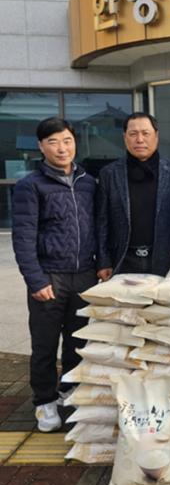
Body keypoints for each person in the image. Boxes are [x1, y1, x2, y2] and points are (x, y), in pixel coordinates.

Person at [12, 117, 97, 432]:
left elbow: (97, 226)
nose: (62, 148)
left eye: (67, 141)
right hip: (49, 276)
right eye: (53, 142)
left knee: (78, 340)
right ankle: (45, 401)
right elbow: (23, 238)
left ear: (75, 143)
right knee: (45, 344)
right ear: (41, 146)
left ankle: (68, 389)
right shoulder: (31, 186)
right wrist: (36, 279)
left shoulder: (88, 182)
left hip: (84, 274)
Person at [96, 112, 170, 279]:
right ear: (124, 137)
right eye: (133, 134)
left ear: (156, 136)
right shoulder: (109, 174)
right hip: (123, 259)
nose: (139, 139)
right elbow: (102, 221)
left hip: (165, 259)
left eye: (145, 133)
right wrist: (103, 261)